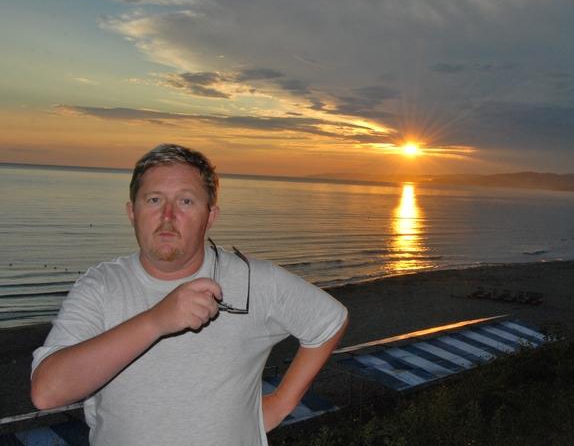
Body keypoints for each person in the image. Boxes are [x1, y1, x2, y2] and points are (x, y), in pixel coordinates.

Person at [30, 144, 348, 445]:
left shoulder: (253, 280)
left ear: (210, 216)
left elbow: (329, 321)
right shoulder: (100, 286)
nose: (168, 216)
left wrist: (280, 402)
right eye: (154, 200)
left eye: (186, 201)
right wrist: (156, 321)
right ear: (132, 212)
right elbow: (47, 392)